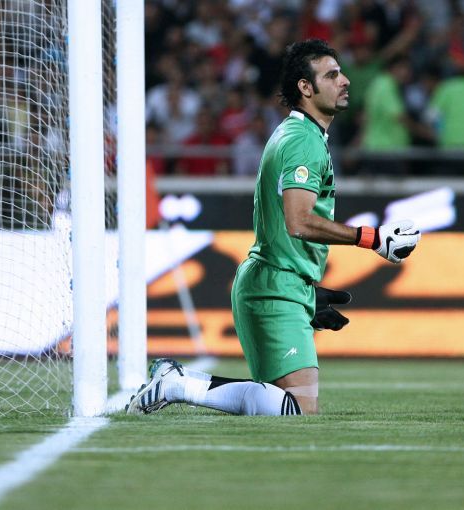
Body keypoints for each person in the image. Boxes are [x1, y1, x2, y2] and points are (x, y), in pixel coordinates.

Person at [127, 39, 421, 416]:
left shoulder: (300, 134)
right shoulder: (302, 141)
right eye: (332, 75)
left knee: (288, 405)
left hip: (281, 282)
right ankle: (177, 384)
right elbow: (298, 221)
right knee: (297, 408)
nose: (345, 81)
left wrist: (306, 291)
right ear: (305, 87)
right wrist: (372, 238)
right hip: (274, 286)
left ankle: (177, 381)